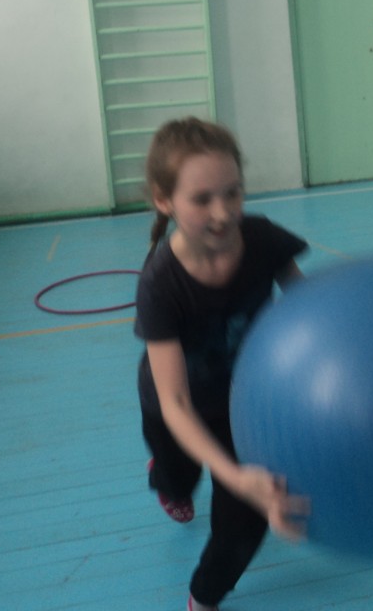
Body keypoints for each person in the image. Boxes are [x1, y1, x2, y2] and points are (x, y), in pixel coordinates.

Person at [134, 117, 310, 611]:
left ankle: (204, 596)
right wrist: (231, 475)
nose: (223, 212)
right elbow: (174, 401)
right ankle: (166, 476)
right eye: (202, 199)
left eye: (233, 193)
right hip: (176, 406)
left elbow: (308, 307)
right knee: (180, 479)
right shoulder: (160, 285)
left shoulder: (263, 240)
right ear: (164, 200)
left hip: (244, 404)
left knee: (246, 518)